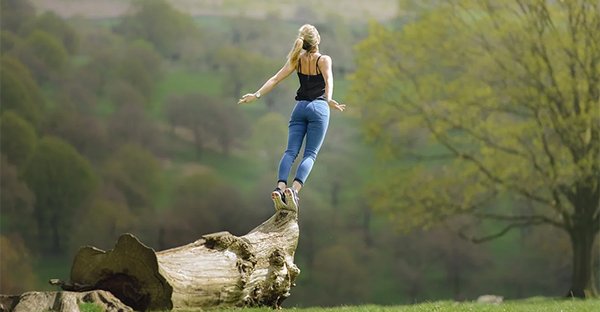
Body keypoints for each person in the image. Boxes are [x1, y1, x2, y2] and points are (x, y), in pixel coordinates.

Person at [238, 24, 346, 211]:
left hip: (299, 109)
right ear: (317, 40)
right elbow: (329, 80)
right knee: (310, 154)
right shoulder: (324, 59)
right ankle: (293, 190)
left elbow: (275, 79)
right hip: (318, 108)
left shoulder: (297, 60)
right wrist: (328, 100)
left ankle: (280, 188)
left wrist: (256, 95)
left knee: (290, 152)